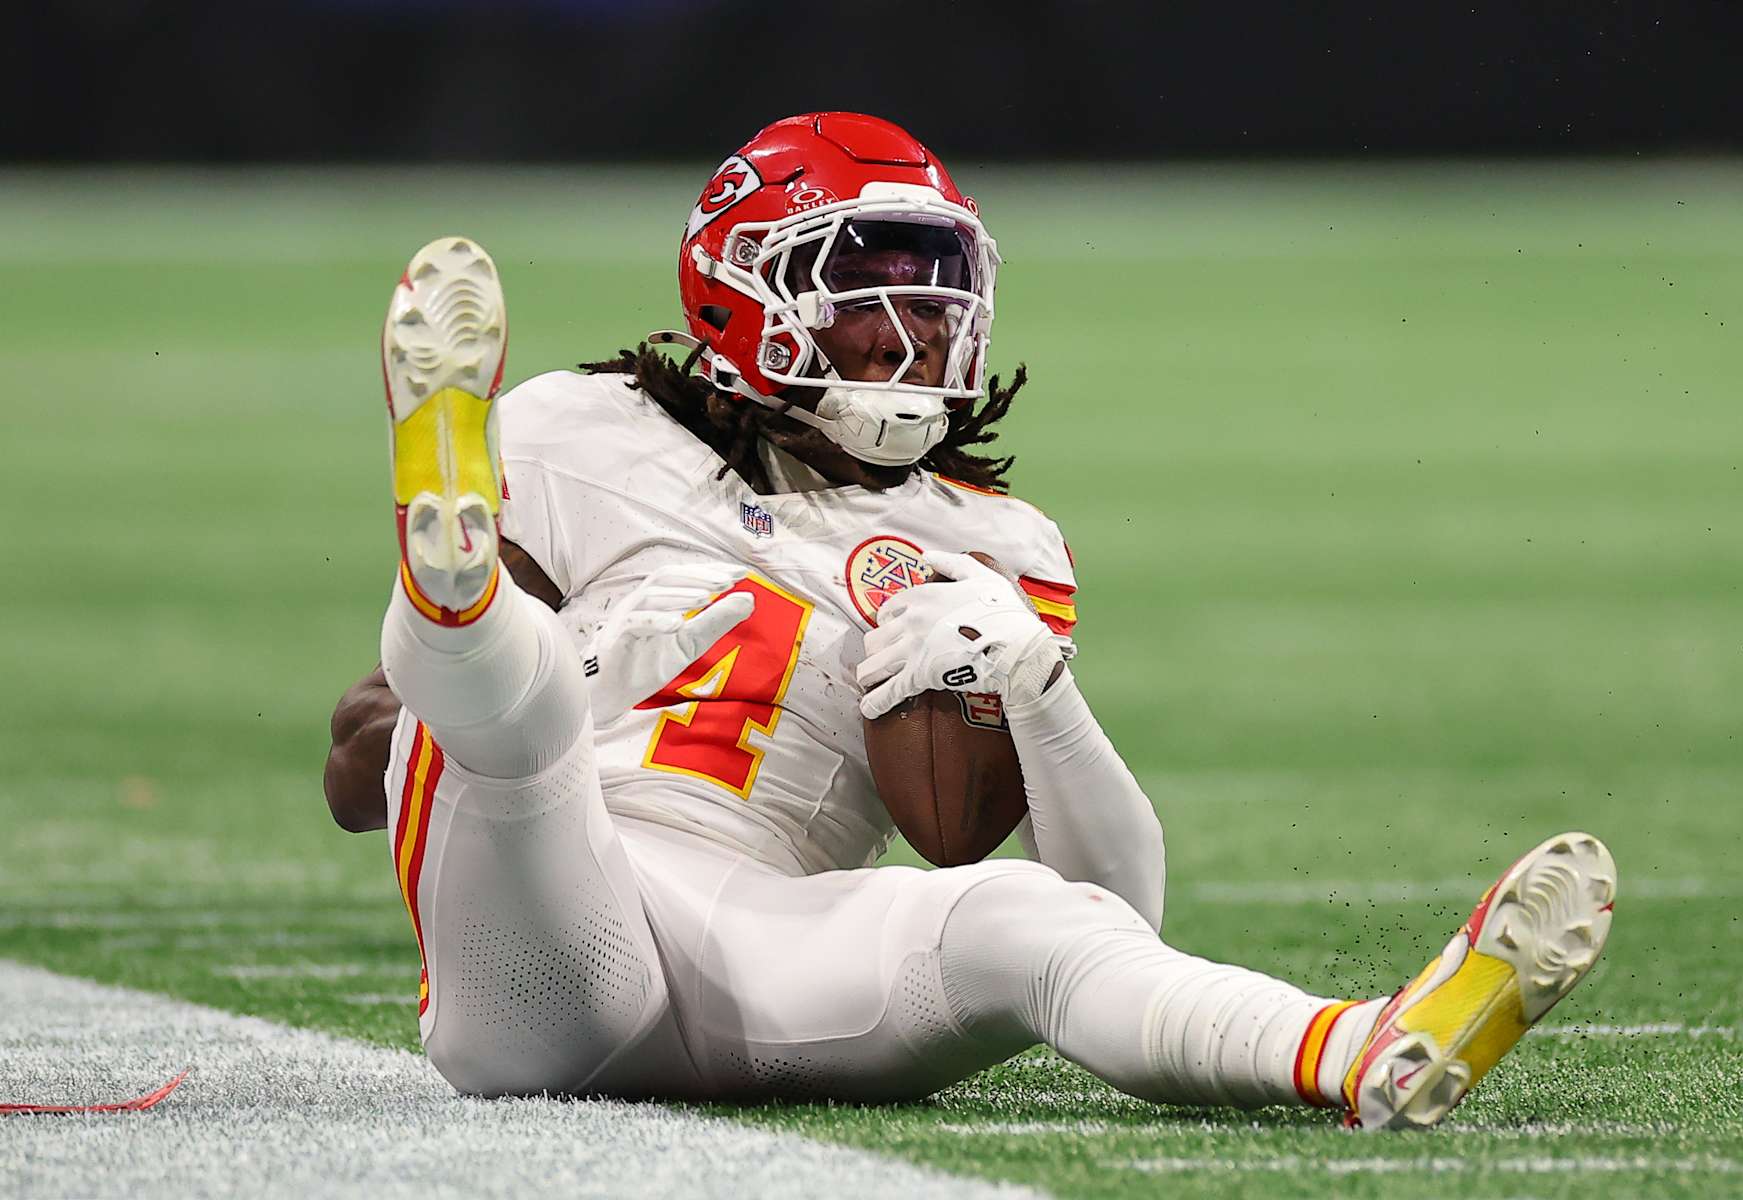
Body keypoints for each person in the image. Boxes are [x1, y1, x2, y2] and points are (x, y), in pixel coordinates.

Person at [323, 113, 1616, 1129]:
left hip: (768, 937)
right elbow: (353, 768)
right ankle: (455, 587)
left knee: (1027, 925)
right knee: (531, 687)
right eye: (862, 287)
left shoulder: (996, 544)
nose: (913, 325)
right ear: (738, 295)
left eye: (933, 290)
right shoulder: (581, 433)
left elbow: (1102, 896)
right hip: (552, 918)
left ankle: (1363, 1048)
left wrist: (1039, 686)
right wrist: (454, 695)